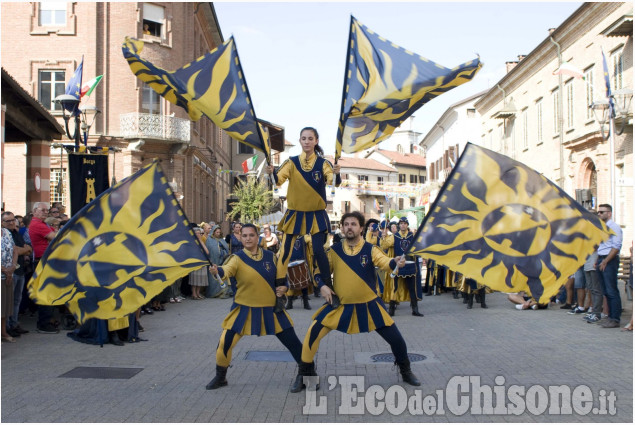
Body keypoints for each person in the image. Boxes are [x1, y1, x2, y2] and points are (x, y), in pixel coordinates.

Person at [293, 212, 420, 391]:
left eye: (353, 224)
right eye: (346, 224)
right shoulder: (334, 250)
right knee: (311, 335)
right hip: (340, 306)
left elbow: (385, 262)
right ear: (342, 228)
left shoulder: (370, 249)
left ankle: (406, 371)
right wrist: (321, 285)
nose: (349, 227)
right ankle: (305, 375)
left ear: (361, 228)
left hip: (370, 306)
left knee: (397, 340)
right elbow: (318, 272)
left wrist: (395, 262)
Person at [206, 224, 304, 391]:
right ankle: (220, 377)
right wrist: (217, 271)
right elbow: (226, 271)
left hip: (272, 310)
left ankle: (307, 374)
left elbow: (282, 278)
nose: (248, 238)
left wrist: (285, 287)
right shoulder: (236, 258)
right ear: (240, 237)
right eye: (244, 235)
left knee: (294, 344)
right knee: (224, 344)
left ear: (257, 237)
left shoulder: (270, 257)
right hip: (243, 310)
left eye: (251, 235)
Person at [267, 127, 341, 312]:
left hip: (316, 213)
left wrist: (337, 173)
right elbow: (278, 180)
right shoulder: (291, 163)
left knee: (318, 250)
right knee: (285, 251)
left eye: (310, 138)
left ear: (316, 141)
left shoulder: (323, 163)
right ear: (300, 141)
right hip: (295, 213)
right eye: (303, 138)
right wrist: (271, 172)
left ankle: (329, 288)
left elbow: (332, 181)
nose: (306, 141)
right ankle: (279, 292)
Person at [380, 217, 423, 317]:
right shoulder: (395, 236)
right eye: (401, 223)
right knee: (394, 288)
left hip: (410, 266)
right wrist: (383, 237)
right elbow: (385, 246)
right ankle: (391, 310)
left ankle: (415, 309)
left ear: (407, 225)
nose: (403, 225)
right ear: (399, 225)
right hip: (398, 265)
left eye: (404, 223)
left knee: (412, 288)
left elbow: (419, 247)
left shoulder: (412, 236)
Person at [29, 202, 59, 334]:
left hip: (46, 260)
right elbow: (55, 238)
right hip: (43, 261)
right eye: (43, 210)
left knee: (49, 291)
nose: (46, 212)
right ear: (35, 211)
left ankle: (48, 320)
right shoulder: (37, 224)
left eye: (47, 210)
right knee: (46, 291)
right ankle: (44, 323)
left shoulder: (42, 224)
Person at [2, 212, 32, 336]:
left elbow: (28, 249)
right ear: (2, 223)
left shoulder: (15, 233)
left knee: (16, 300)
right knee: (6, 303)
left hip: (19, 270)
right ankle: (7, 327)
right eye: (8, 221)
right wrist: (22, 250)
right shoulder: (5, 234)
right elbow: (19, 250)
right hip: (7, 272)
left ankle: (14, 324)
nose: (11, 223)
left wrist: (22, 250)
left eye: (13, 220)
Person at [595, 204, 623, 328]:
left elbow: (616, 247)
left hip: (609, 260)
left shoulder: (614, 227)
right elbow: (601, 246)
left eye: (602, 212)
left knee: (611, 290)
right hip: (602, 258)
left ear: (609, 213)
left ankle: (615, 318)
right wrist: (598, 259)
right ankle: (610, 316)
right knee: (605, 291)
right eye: (598, 212)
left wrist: (606, 261)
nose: (599, 214)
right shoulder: (602, 228)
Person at [1, 223, 18, 343]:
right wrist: (4, 270)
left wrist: (12, 267)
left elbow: (15, 250)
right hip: (2, 272)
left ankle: (3, 332)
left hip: (8, 274)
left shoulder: (6, 232)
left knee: (5, 306)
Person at [205, 224, 231, 298]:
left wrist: (224, 253)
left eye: (219, 232)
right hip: (213, 260)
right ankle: (214, 293)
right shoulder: (209, 240)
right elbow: (209, 250)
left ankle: (223, 292)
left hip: (222, 261)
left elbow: (226, 248)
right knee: (214, 277)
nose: (218, 234)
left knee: (223, 275)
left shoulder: (222, 240)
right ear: (213, 232)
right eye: (217, 232)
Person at [189, 227, 209, 300]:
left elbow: (207, 252)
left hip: (202, 262)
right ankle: (194, 294)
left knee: (200, 279)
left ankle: (198, 293)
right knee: (195, 279)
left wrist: (200, 240)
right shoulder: (191, 242)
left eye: (199, 233)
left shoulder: (202, 241)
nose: (198, 235)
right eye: (196, 233)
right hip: (195, 263)